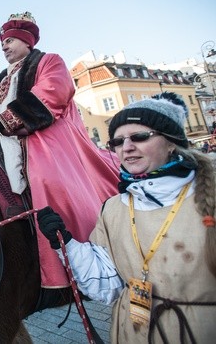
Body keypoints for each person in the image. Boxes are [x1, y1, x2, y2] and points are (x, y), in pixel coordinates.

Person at [0, 12, 119, 289]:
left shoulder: (48, 61)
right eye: (2, 43)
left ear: (27, 41)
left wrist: (4, 120)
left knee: (46, 181)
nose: (4, 46)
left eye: (9, 40)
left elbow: (52, 93)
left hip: (44, 142)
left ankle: (72, 256)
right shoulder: (3, 77)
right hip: (6, 145)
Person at [37, 92, 216, 343]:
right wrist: (65, 243)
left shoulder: (208, 196)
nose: (127, 147)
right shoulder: (113, 208)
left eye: (139, 137)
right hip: (132, 332)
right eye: (118, 142)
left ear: (172, 142)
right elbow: (108, 284)